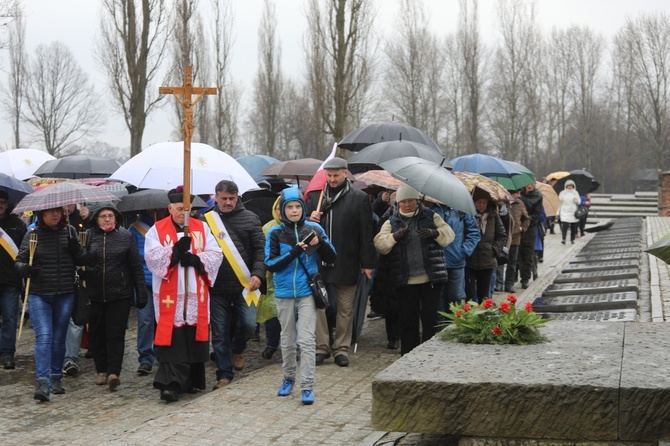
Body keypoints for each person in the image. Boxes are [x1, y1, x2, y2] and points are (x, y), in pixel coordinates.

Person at [145, 188, 223, 402]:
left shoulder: (202, 228)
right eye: (179, 209)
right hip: (171, 293)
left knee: (192, 334)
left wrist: (197, 260)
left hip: (195, 291)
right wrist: (176, 251)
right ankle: (170, 384)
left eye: (186, 209)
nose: (183, 213)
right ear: (170, 208)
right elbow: (152, 257)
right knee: (174, 337)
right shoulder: (157, 229)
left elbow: (216, 254)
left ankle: (190, 381)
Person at [265, 188, 337, 405]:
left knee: (306, 340)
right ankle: (288, 378)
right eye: (289, 207)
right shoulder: (275, 233)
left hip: (307, 292)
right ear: (282, 211)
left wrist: (321, 243)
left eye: (297, 206)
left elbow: (332, 257)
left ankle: (307, 386)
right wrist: (294, 251)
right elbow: (270, 263)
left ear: (303, 208)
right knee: (287, 341)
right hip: (284, 292)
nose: (294, 210)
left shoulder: (314, 227)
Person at [306, 157, 377, 367]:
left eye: (336, 175)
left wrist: (367, 263)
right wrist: (310, 220)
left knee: (345, 308)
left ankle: (341, 349)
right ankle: (321, 348)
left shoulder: (359, 198)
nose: (332, 179)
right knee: (319, 306)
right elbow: (302, 231)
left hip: (347, 260)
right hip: (319, 262)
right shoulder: (316, 198)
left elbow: (366, 233)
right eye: (329, 175)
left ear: (346, 174)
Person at [15, 206, 85, 402]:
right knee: (44, 336)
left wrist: (76, 248)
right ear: (41, 215)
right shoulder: (33, 235)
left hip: (65, 293)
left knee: (59, 337)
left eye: (59, 212)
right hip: (39, 294)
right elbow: (18, 262)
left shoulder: (70, 232)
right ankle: (42, 382)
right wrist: (28, 269)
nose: (56, 215)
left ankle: (56, 377)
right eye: (50, 212)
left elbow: (82, 259)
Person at [373, 185, 453, 355]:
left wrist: (434, 233)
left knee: (430, 320)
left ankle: (429, 354)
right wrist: (395, 236)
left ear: (417, 201)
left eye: (410, 201)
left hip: (430, 279)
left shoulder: (431, 216)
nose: (407, 205)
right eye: (403, 201)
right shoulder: (391, 220)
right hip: (405, 280)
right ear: (398, 203)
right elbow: (380, 244)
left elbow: (449, 235)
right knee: (407, 321)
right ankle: (409, 355)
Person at [204, 180, 266, 389]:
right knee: (219, 333)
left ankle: (238, 349)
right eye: (224, 199)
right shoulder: (205, 222)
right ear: (216, 197)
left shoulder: (251, 218)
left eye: (232, 198)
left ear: (237, 197)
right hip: (217, 287)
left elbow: (260, 250)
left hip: (245, 285)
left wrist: (258, 273)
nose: (228, 202)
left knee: (249, 325)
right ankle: (224, 375)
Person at [83, 202, 148, 391]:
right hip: (95, 294)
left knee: (115, 334)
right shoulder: (88, 236)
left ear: (116, 218)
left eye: (110, 216)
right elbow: (82, 260)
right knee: (97, 334)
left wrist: (141, 292)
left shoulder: (125, 236)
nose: (107, 219)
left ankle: (113, 372)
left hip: (120, 293)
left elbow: (135, 266)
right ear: (96, 219)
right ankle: (101, 370)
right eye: (103, 216)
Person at [129, 208, 168, 376]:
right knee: (145, 320)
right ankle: (145, 358)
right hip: (145, 282)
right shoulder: (136, 229)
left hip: (164, 280)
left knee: (162, 320)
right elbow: (133, 255)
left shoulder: (167, 226)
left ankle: (161, 351)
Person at [464, 189, 507, 303]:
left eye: (484, 202)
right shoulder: (468, 216)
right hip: (470, 260)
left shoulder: (493, 216)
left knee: (484, 295)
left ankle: (482, 318)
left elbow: (502, 236)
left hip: (487, 260)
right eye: (478, 202)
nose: (481, 205)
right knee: (470, 294)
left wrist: (494, 250)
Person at [0, 190, 27, 370]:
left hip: (10, 281)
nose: (0, 205)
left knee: (10, 318)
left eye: (2, 202)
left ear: (8, 204)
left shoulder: (17, 224)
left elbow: (24, 252)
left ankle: (7, 353)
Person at [258, 197, 283, 360]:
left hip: (289, 276)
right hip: (271, 277)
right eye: (279, 209)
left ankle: (292, 345)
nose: (281, 212)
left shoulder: (299, 227)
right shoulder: (267, 227)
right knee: (271, 314)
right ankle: (272, 344)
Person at [503, 189, 530, 293]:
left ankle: (509, 284)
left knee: (512, 262)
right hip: (503, 238)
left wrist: (522, 228)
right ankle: (498, 284)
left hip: (515, 238)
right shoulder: (502, 202)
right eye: (517, 193)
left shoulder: (520, 203)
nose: (519, 195)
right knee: (500, 263)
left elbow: (526, 219)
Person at [519, 182, 543, 289]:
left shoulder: (538, 196)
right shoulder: (519, 193)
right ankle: (517, 276)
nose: (529, 185)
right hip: (518, 226)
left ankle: (525, 279)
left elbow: (536, 215)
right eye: (527, 183)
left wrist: (526, 222)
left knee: (528, 254)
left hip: (530, 228)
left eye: (532, 183)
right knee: (517, 255)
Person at [557, 179, 581, 245]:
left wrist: (576, 200)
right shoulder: (562, 193)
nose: (570, 187)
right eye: (568, 185)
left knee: (573, 227)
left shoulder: (575, 193)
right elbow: (559, 203)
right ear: (566, 186)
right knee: (565, 225)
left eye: (571, 186)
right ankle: (563, 239)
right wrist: (557, 212)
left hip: (573, 211)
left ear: (573, 186)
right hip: (565, 210)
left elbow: (579, 202)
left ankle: (572, 239)